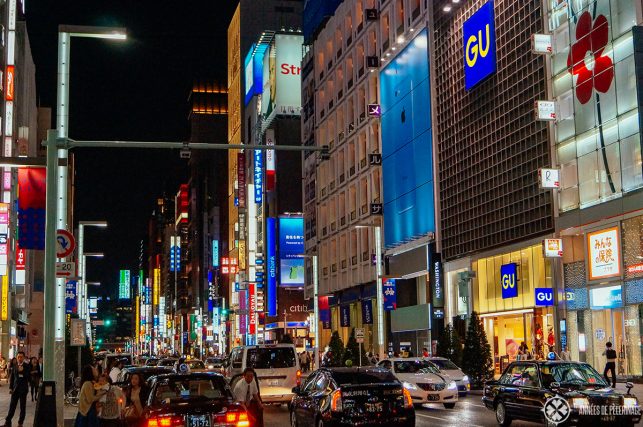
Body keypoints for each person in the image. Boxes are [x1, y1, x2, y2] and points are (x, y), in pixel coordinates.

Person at [3, 352, 30, 427]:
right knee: (12, 406)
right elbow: (12, 378)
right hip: (15, 389)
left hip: (23, 390)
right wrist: (11, 388)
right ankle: (8, 422)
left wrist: (23, 372)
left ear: (24, 358)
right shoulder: (14, 366)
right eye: (18, 357)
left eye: (21, 357)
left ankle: (20, 423)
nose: (19, 358)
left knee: (22, 407)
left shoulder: (27, 366)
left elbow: (28, 377)